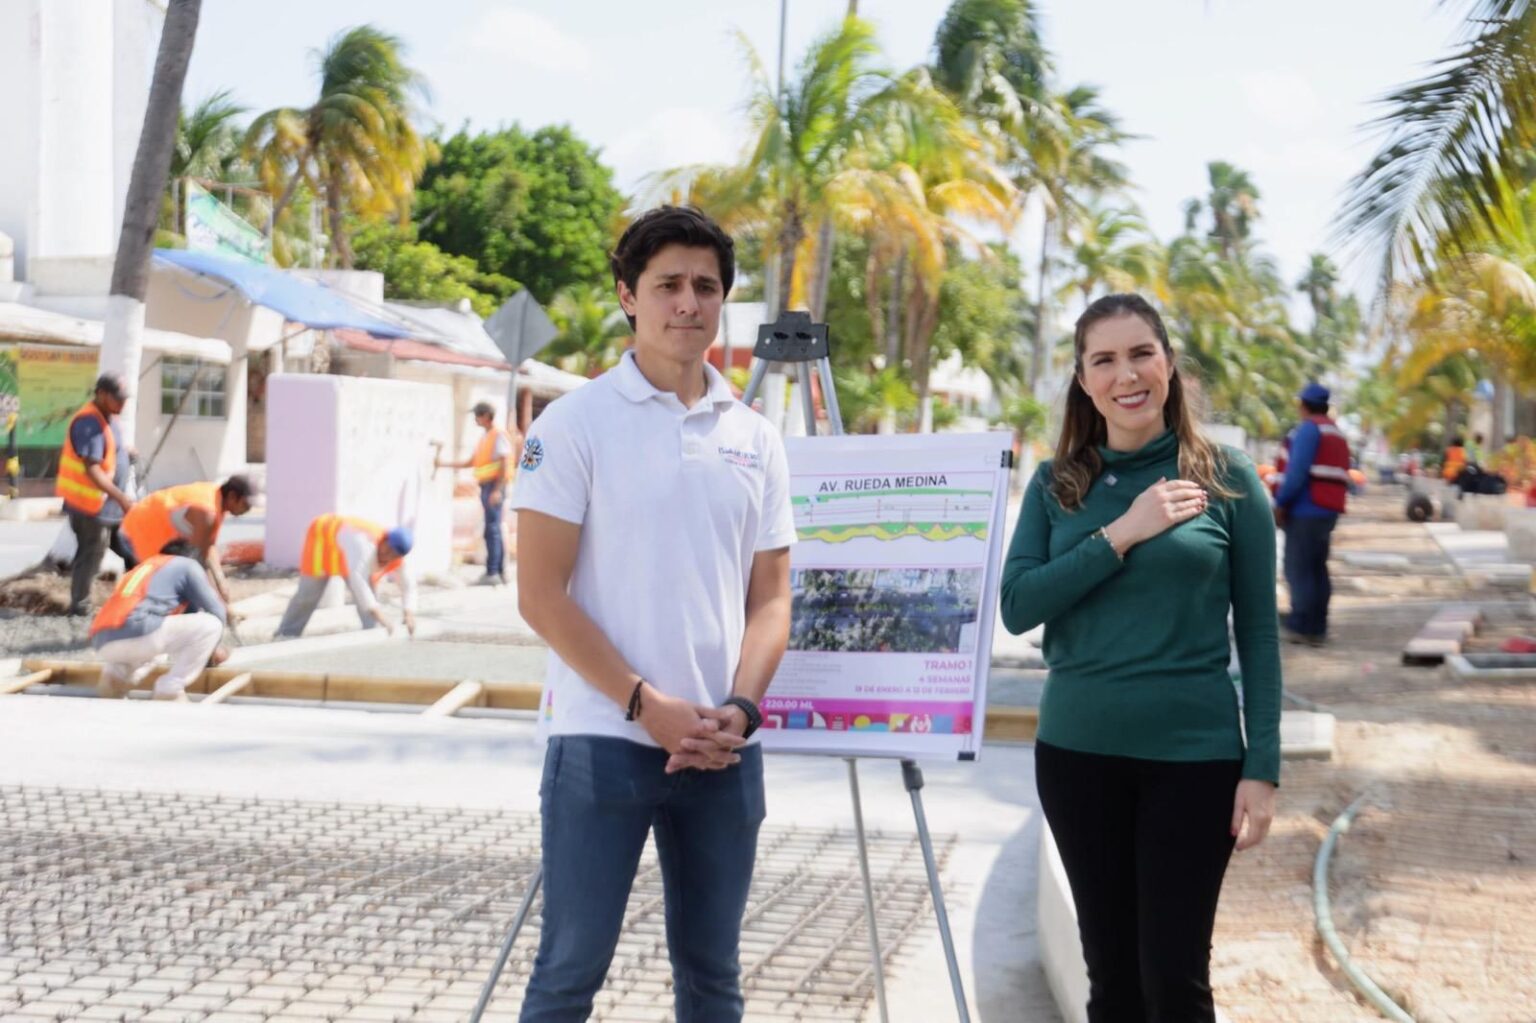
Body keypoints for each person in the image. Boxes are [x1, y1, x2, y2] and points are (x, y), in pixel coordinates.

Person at [511, 204, 795, 1022]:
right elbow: (540, 594)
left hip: (723, 748)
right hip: (602, 741)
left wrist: (739, 709)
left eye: (706, 286)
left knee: (713, 978)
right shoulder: (574, 424)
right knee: (568, 974)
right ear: (628, 295)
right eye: (668, 284)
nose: (688, 302)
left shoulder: (755, 438)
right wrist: (645, 704)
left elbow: (771, 599)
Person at [1000, 293, 1280, 1023]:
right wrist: (1121, 532)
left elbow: (1258, 634)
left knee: (1175, 982)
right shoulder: (1056, 483)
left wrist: (1263, 767)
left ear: (1169, 363)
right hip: (1077, 756)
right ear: (1083, 381)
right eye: (1104, 360)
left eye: (1140, 354)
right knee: (1113, 983)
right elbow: (1018, 604)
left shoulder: (1228, 478)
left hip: (1194, 759)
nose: (1126, 375)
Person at [91, 541, 230, 702]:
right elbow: (217, 611)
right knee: (212, 625)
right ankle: (170, 688)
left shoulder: (146, 567)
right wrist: (213, 650)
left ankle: (115, 677)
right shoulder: (187, 565)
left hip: (102, 639)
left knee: (158, 644)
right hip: (139, 630)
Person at [1274, 382, 1350, 646]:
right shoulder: (1336, 432)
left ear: (1304, 406)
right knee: (1317, 568)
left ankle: (1301, 625)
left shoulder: (1309, 429)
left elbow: (1296, 473)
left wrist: (1280, 503)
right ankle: (1318, 626)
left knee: (1299, 569)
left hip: (1306, 508)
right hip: (1328, 510)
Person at [57, 373, 135, 615]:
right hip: (90, 507)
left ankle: (136, 598)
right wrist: (121, 498)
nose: (122, 403)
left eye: (124, 399)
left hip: (107, 507)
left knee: (130, 549)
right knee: (91, 553)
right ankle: (80, 606)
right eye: (118, 398)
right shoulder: (89, 423)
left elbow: (110, 452)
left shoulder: (108, 418)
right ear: (101, 394)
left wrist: (127, 453)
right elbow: (92, 469)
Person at [275, 514, 417, 638]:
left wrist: (409, 613)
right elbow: (359, 582)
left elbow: (409, 586)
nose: (388, 556)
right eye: (388, 549)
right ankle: (285, 635)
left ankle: (374, 636)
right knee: (307, 596)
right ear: (384, 540)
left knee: (370, 607)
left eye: (394, 555)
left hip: (347, 553)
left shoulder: (400, 559)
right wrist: (381, 616)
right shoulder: (364, 544)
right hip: (322, 540)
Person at [121, 475, 257, 604]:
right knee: (148, 593)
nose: (247, 510)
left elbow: (208, 547)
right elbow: (196, 561)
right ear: (232, 496)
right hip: (136, 533)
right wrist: (216, 600)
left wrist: (221, 583)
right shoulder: (206, 511)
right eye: (245, 505)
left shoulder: (216, 499)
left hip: (148, 532)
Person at [434, 402, 515, 585]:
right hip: (487, 486)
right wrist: (444, 464)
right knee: (491, 528)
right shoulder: (485, 437)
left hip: (494, 486)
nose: (475, 420)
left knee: (492, 529)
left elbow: (504, 463)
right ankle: (498, 572)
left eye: (477, 416)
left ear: (486, 416)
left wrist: (497, 490)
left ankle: (493, 573)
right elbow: (471, 462)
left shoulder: (498, 435)